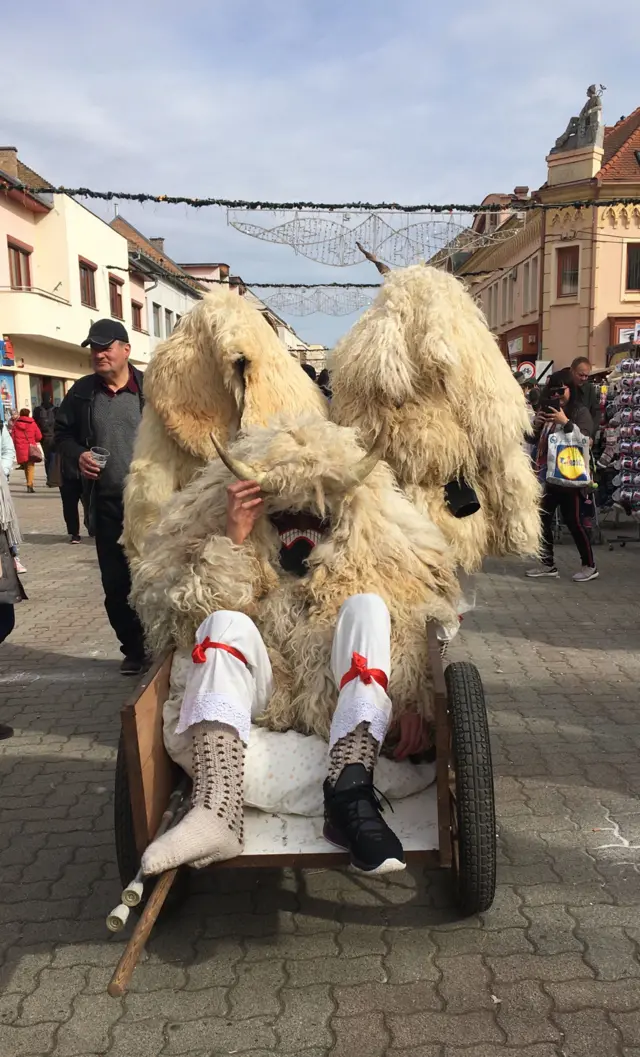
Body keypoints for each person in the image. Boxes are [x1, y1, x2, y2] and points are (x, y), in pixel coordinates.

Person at [54, 319, 146, 674]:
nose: (99, 354)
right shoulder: (81, 393)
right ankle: (135, 650)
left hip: (153, 506)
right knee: (116, 583)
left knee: (156, 578)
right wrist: (78, 455)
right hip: (107, 503)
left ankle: (166, 645)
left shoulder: (150, 389)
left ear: (126, 349)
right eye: (94, 348)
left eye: (106, 347)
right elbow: (61, 435)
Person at [526, 370, 598, 582]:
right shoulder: (548, 411)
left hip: (571, 476)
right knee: (542, 518)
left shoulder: (579, 411)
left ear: (571, 389)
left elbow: (586, 440)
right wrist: (536, 425)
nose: (558, 395)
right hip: (550, 476)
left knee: (574, 521)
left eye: (562, 390)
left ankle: (589, 565)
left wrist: (565, 422)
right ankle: (548, 564)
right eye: (553, 391)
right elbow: (531, 440)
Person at [12, 409, 42, 493]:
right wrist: (33, 440)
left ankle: (29, 484)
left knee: (26, 466)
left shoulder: (16, 424)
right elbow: (39, 436)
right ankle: (30, 485)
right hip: (30, 447)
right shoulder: (32, 423)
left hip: (20, 448)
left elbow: (13, 437)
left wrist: (17, 445)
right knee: (30, 466)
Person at [570, 356, 601, 435]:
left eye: (586, 376)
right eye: (581, 375)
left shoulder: (589, 388)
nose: (584, 378)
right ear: (572, 371)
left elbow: (596, 414)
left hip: (584, 434)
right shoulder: (565, 386)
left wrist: (591, 435)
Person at [33, 394, 57, 485]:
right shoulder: (56, 409)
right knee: (54, 457)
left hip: (43, 438)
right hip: (54, 436)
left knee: (47, 458)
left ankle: (49, 477)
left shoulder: (37, 410)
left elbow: (34, 424)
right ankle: (53, 478)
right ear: (50, 398)